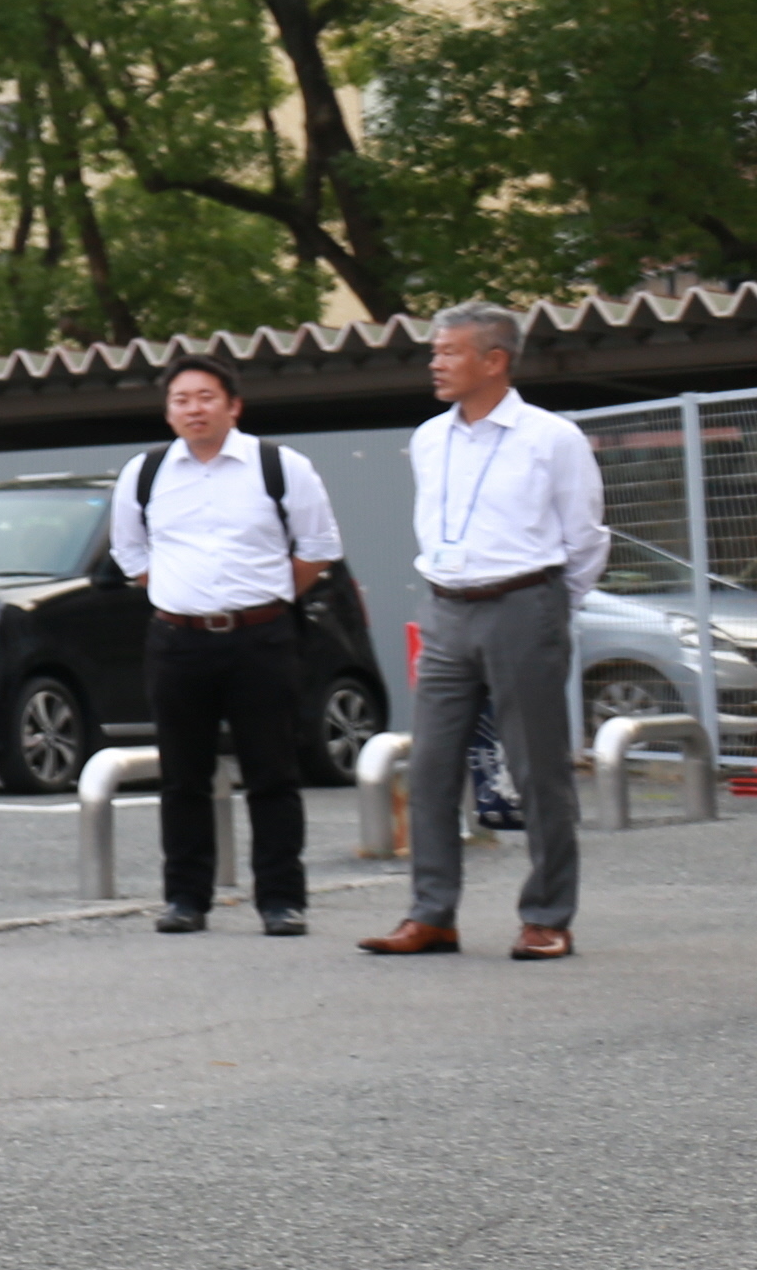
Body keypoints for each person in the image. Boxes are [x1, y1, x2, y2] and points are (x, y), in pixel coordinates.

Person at [363, 302, 604, 963]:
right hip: (445, 608)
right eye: (434, 352)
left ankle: (548, 915)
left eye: (449, 352)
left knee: (537, 770)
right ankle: (432, 913)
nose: (436, 364)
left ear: (494, 360)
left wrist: (550, 608)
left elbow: (585, 539)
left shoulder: (551, 437)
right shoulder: (429, 438)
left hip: (523, 604)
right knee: (433, 766)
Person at [106, 356, 341, 938]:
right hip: (177, 640)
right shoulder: (145, 472)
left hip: (261, 638)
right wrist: (178, 594)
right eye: (181, 399)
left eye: (206, 397)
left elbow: (318, 547)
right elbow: (130, 553)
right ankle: (186, 898)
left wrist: (264, 599)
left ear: (233, 405)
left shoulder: (278, 466)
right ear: (168, 411)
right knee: (182, 776)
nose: (194, 408)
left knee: (272, 773)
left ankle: (282, 900)